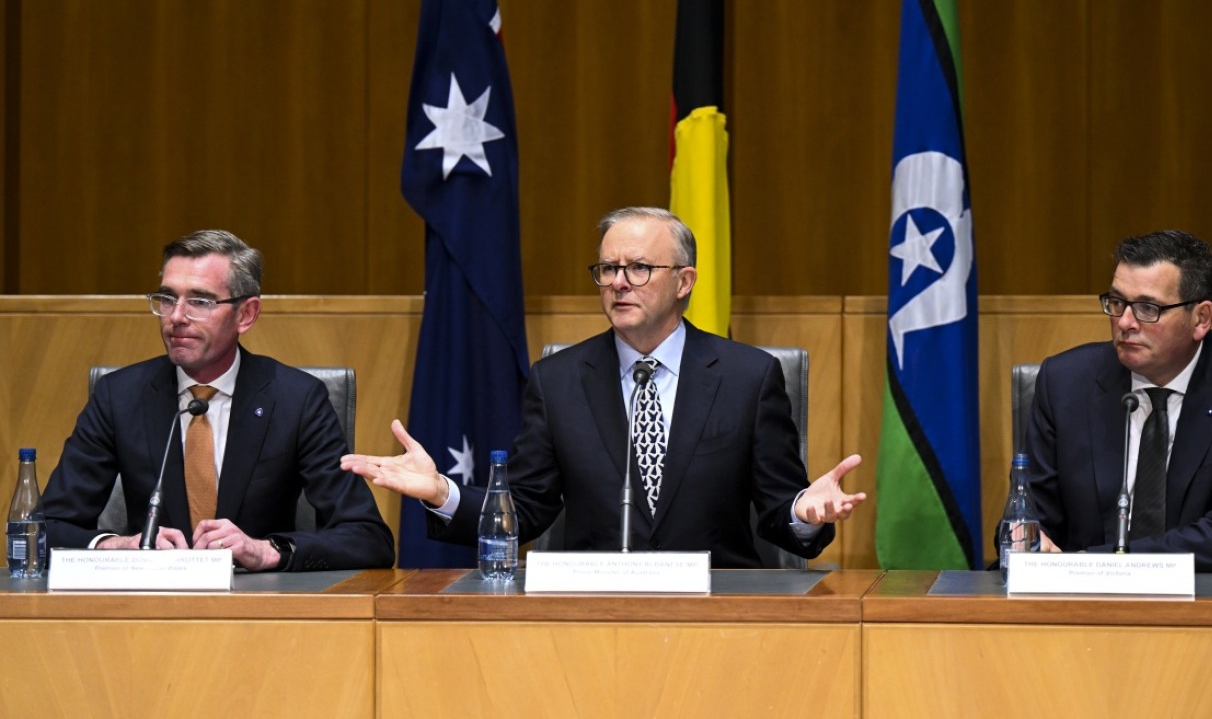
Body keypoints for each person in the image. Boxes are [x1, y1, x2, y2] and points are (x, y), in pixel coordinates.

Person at [343, 207, 865, 568]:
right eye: (609, 268)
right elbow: (525, 509)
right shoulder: (559, 380)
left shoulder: (748, 378)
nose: (618, 281)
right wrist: (443, 493)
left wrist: (802, 514)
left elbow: (780, 513)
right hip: (590, 613)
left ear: (684, 281)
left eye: (639, 268)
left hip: (716, 609)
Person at [43, 230, 395, 571]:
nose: (177, 316)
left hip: (261, 611)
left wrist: (268, 551)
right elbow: (43, 529)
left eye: (199, 301)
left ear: (246, 314)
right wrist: (119, 546)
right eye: (167, 299)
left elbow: (368, 538)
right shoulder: (119, 396)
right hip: (148, 608)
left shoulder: (297, 400)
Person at [1025, 230, 1212, 572]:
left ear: (1201, 318)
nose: (1124, 322)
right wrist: (1027, 536)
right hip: (1078, 603)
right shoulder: (1064, 382)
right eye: (1117, 302)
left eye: (1148, 308)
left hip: (1207, 601)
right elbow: (1032, 514)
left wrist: (1092, 564)